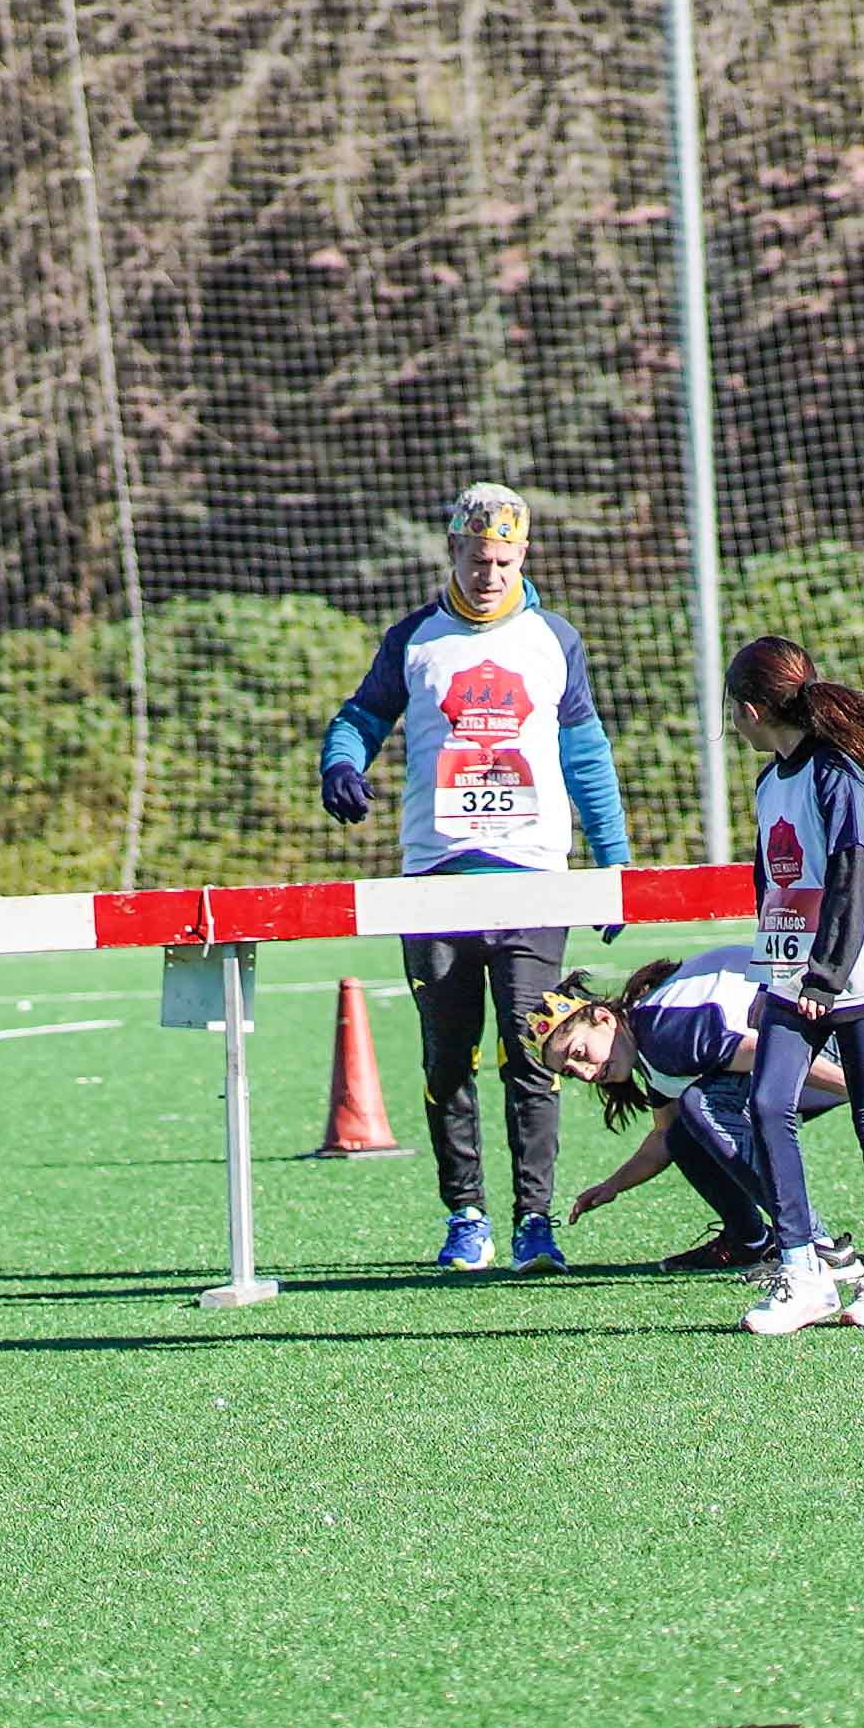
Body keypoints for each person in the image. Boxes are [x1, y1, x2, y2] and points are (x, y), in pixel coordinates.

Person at [318, 482, 633, 1272]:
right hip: (437, 884)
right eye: (476, 559)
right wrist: (341, 764)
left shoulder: (554, 639)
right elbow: (360, 716)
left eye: (504, 561)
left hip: (533, 882)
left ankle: (534, 1222)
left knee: (536, 1054)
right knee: (446, 1057)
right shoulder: (414, 638)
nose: (489, 575)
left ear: (523, 555)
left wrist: (613, 861)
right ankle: (466, 1215)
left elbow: (586, 751)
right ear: (453, 550)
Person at [729, 631, 864, 1335]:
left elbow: (853, 873)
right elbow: (773, 886)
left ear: (751, 710)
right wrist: (773, 977)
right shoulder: (769, 783)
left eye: (731, 711)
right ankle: (803, 1273)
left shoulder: (838, 773)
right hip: (796, 981)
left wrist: (828, 974)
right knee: (766, 1104)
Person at [536, 947, 864, 1270]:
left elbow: (767, 1052)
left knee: (703, 1104)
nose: (584, 1073)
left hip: (844, 1037)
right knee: (683, 1132)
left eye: (578, 1053)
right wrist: (613, 1186)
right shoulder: (646, 1039)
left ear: (603, 1018)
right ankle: (748, 1242)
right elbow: (664, 1136)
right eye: (570, 1071)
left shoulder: (661, 1033)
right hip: (826, 1037)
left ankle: (813, 1244)